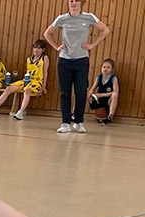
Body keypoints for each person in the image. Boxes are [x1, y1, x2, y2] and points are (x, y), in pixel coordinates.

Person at [44, 0, 109, 133]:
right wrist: (56, 47)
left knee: (81, 92)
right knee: (65, 93)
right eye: (71, 1)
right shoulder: (61, 19)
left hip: (81, 61)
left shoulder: (89, 17)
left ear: (81, 3)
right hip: (65, 61)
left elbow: (105, 30)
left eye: (76, 0)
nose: (73, 3)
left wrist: (92, 45)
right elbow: (47, 33)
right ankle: (65, 122)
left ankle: (79, 121)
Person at [0, 39, 49, 120]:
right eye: (35, 47)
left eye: (39, 48)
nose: (36, 50)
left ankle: (21, 112)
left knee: (27, 91)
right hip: (26, 80)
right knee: (8, 88)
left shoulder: (44, 58)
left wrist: (44, 86)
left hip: (37, 82)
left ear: (43, 50)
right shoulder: (29, 59)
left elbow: (45, 72)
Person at [88, 58, 118, 124]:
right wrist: (89, 97)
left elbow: (116, 92)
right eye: (104, 67)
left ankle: (110, 116)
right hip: (99, 100)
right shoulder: (99, 77)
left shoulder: (113, 78)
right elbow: (92, 89)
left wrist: (102, 95)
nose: (105, 69)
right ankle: (77, 114)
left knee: (115, 95)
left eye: (108, 67)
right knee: (85, 94)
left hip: (108, 100)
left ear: (112, 69)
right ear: (101, 68)